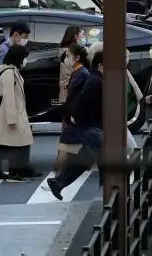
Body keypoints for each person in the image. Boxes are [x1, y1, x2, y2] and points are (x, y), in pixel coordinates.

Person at [45, 46, 102, 200]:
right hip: (86, 122)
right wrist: (72, 115)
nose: (66, 59)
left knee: (88, 155)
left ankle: (58, 182)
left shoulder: (83, 74)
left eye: (68, 55)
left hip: (84, 121)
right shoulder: (87, 75)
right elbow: (79, 99)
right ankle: (106, 194)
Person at [0, 45, 35, 180]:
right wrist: (12, 119)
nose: (25, 60)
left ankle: (18, 169)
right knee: (11, 144)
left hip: (15, 113)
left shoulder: (12, 71)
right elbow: (8, 97)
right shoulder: (8, 73)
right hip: (9, 115)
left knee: (13, 144)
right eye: (24, 57)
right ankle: (12, 169)